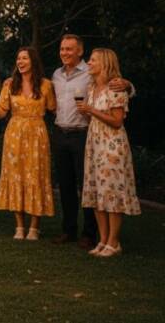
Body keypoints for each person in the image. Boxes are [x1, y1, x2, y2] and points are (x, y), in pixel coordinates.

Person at [50, 34, 134, 249]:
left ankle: (90, 234)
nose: (64, 53)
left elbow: (117, 86)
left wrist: (127, 85)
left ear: (80, 51)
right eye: (62, 49)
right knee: (67, 186)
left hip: (83, 134)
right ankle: (68, 230)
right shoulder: (56, 75)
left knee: (86, 185)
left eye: (69, 49)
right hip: (61, 132)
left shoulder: (90, 73)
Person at [0, 47, 56, 240]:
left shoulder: (46, 85)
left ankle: (34, 227)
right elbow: (1, 113)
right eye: (18, 58)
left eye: (24, 58)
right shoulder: (10, 85)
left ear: (33, 61)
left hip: (37, 135)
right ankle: (19, 226)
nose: (20, 62)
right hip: (14, 134)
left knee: (36, 176)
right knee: (16, 175)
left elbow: (53, 108)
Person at [78, 49, 140, 257]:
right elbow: (93, 118)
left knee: (112, 192)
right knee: (97, 192)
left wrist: (91, 110)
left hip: (112, 146)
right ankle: (103, 240)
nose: (88, 63)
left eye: (93, 60)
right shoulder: (92, 87)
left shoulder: (116, 88)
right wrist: (88, 113)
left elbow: (117, 121)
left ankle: (114, 242)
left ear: (104, 63)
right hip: (94, 144)